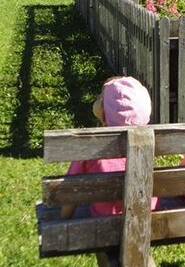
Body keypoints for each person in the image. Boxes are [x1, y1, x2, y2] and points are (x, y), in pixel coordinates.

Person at [60, 76, 158, 219]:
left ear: (105, 114)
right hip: (147, 216)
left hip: (104, 221)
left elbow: (71, 191)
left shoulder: (90, 146)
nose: (98, 99)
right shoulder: (148, 141)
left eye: (101, 98)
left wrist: (62, 220)